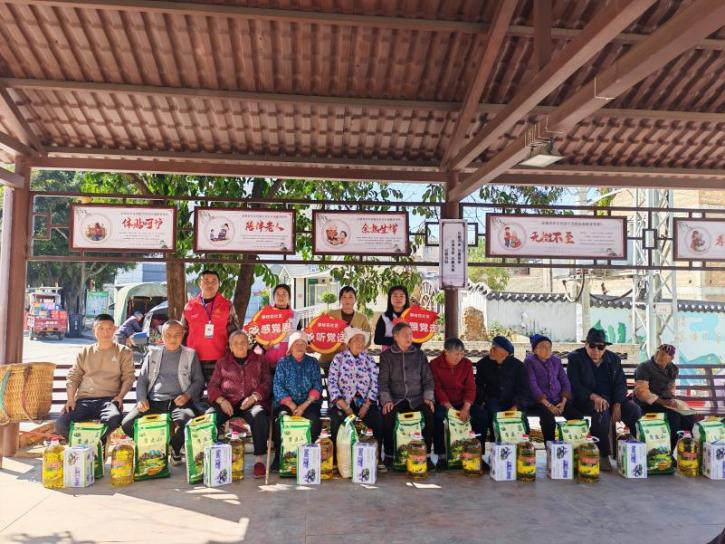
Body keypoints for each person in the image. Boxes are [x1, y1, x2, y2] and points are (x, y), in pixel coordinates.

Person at [121, 320, 204, 465]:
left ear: (183, 335)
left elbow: (199, 381)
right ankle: (156, 448)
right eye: (168, 335)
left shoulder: (190, 355)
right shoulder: (153, 353)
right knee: (127, 423)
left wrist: (187, 395)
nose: (172, 339)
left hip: (178, 402)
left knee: (189, 422)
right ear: (162, 336)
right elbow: (142, 380)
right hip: (153, 401)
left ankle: (174, 447)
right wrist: (141, 399)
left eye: (177, 335)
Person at [567, 328, 642, 471]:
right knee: (601, 411)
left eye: (600, 347)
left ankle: (635, 448)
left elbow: (621, 383)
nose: (596, 350)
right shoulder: (575, 358)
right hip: (586, 399)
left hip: (612, 399)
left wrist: (618, 404)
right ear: (586, 345)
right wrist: (594, 396)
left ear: (605, 347)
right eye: (592, 346)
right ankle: (602, 454)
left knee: (634, 410)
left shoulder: (613, 359)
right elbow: (574, 384)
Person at [55, 314, 134, 441]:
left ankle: (93, 443)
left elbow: (128, 377)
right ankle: (89, 443)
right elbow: (74, 376)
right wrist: (70, 399)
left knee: (114, 419)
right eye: (101, 328)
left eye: (109, 328)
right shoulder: (85, 351)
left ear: (114, 330)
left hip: (109, 401)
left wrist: (120, 396)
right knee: (61, 424)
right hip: (84, 400)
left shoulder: (123, 352)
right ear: (94, 330)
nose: (105, 332)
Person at [206, 330, 271, 478]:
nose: (240, 346)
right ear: (230, 346)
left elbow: (267, 383)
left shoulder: (260, 360)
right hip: (227, 402)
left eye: (243, 342)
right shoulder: (222, 363)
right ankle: (210, 456)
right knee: (210, 418)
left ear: (248, 344)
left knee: (259, 415)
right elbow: (212, 386)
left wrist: (254, 397)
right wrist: (221, 401)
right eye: (235, 343)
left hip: (251, 402)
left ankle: (259, 460)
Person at [379, 322, 435, 469]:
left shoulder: (419, 355)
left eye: (411, 334)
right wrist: (386, 401)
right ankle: (389, 455)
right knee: (388, 415)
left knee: (429, 413)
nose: (409, 338)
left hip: (417, 398)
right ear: (395, 336)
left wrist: (428, 398)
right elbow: (383, 382)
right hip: (396, 399)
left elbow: (428, 380)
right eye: (405, 335)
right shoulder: (386, 356)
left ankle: (426, 455)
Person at [327, 327, 385, 468]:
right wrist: (345, 406)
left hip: (365, 402)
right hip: (343, 402)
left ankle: (376, 458)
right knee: (337, 420)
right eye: (357, 340)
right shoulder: (339, 359)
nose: (360, 343)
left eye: (362, 340)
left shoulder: (369, 360)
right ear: (349, 342)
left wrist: (367, 405)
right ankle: (336, 459)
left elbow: (375, 383)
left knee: (376, 420)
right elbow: (332, 382)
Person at [430, 337, 487, 470]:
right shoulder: (435, 364)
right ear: (446, 352)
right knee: (438, 418)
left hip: (462, 402)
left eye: (462, 353)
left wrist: (466, 408)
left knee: (481, 416)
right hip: (444, 403)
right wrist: (450, 409)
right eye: (456, 354)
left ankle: (478, 454)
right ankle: (442, 456)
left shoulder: (466, 364)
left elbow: (470, 387)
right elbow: (437, 388)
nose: (459, 357)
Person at [271, 331, 322, 471]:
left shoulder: (313, 362)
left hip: (308, 403)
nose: (299, 347)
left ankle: (308, 455)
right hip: (287, 403)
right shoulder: (283, 363)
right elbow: (277, 386)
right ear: (290, 347)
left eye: (302, 344)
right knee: (282, 420)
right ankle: (279, 456)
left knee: (314, 420)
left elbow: (317, 386)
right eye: (296, 344)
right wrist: (292, 405)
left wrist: (304, 406)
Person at [182, 270, 239, 384]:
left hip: (220, 359)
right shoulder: (189, 306)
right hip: (193, 358)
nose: (210, 284)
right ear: (200, 283)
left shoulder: (227, 305)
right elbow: (183, 332)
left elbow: (234, 333)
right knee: (194, 392)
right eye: (206, 281)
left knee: (217, 391)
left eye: (214, 281)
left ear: (219, 284)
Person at [634, 344, 695, 449]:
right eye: (658, 352)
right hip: (648, 404)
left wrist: (673, 400)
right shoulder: (644, 367)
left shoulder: (672, 369)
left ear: (671, 358)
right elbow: (641, 393)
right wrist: (663, 402)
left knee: (688, 417)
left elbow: (671, 388)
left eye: (663, 354)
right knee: (674, 417)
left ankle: (685, 448)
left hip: (666, 403)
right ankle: (671, 449)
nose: (659, 356)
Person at [524, 334, 583, 443]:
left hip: (558, 400)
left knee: (577, 417)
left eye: (549, 347)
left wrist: (563, 403)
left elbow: (565, 381)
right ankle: (550, 448)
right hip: (539, 402)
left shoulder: (556, 360)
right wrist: (549, 406)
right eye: (543, 347)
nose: (547, 350)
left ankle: (575, 446)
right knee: (548, 420)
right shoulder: (529, 362)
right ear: (535, 350)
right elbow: (533, 385)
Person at [475, 336, 530, 441]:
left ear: (504, 353)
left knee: (520, 422)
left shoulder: (518, 366)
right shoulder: (483, 364)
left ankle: (520, 447)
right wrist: (482, 401)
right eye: (491, 347)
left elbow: (524, 390)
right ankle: (496, 446)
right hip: (492, 400)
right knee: (495, 417)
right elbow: (479, 386)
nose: (490, 350)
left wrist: (516, 405)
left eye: (494, 348)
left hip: (513, 401)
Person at [318, 286, 373, 369]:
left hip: (353, 361)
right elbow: (321, 335)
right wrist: (337, 347)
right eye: (344, 297)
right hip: (329, 360)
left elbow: (367, 341)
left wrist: (352, 348)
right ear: (340, 300)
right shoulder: (330, 315)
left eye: (350, 297)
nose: (347, 300)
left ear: (355, 300)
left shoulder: (362, 318)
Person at [260, 284, 302, 371]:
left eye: (284, 294)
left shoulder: (296, 316)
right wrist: (263, 346)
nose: (281, 296)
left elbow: (299, 337)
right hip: (268, 361)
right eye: (278, 294)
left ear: (289, 297)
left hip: (289, 361)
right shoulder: (265, 315)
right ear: (274, 298)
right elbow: (258, 337)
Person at [374, 285, 417, 350]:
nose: (398, 298)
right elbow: (377, 340)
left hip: (409, 354)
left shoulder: (413, 316)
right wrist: (399, 340)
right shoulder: (384, 317)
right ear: (390, 298)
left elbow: (418, 341)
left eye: (401, 296)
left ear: (406, 299)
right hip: (388, 354)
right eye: (395, 296)